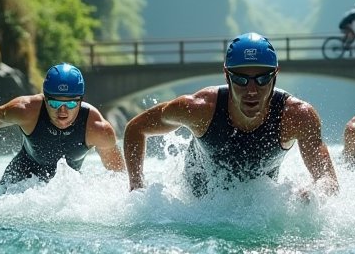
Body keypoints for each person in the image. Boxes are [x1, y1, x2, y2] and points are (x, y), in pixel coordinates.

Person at [123, 32, 339, 197]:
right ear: (227, 76)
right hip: (196, 206)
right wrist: (137, 187)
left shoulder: (297, 116)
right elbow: (136, 128)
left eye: (262, 79)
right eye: (241, 79)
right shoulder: (199, 109)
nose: (252, 90)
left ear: (275, 76)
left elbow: (328, 179)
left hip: (256, 207)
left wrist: (314, 193)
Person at [0, 63, 125, 184]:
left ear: (81, 100)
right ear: (44, 98)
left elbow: (120, 177)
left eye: (70, 104)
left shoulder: (98, 129)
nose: (62, 111)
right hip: (20, 176)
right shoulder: (25, 110)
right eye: (54, 103)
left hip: (66, 190)